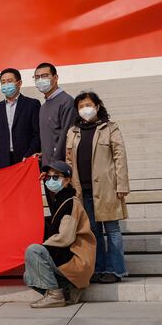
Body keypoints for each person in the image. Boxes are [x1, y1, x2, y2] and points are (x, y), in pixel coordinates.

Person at [66, 91, 130, 284]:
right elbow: (69, 160)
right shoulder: (73, 131)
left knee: (112, 229)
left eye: (88, 105)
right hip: (82, 189)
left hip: (107, 188)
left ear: (97, 106)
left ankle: (116, 270)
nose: (85, 109)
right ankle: (98, 268)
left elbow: (120, 156)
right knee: (93, 232)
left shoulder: (110, 128)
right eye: (81, 106)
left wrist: (122, 184)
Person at [24, 161, 96, 308]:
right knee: (28, 275)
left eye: (55, 177)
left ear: (68, 180)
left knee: (34, 251)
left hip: (76, 259)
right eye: (48, 178)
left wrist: (42, 248)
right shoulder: (61, 199)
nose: (51, 181)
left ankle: (55, 295)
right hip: (67, 258)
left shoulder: (71, 202)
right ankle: (68, 289)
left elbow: (65, 238)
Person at [0, 68, 41, 173]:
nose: (6, 84)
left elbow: (37, 133)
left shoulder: (32, 104)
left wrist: (29, 155)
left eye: (10, 81)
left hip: (26, 159)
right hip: (3, 161)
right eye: (3, 82)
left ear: (19, 83)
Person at [34, 62, 75, 166]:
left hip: (61, 168)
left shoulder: (66, 102)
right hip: (48, 168)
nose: (40, 80)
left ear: (55, 78)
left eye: (44, 76)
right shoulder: (43, 107)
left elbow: (67, 136)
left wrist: (57, 164)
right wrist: (44, 154)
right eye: (37, 77)